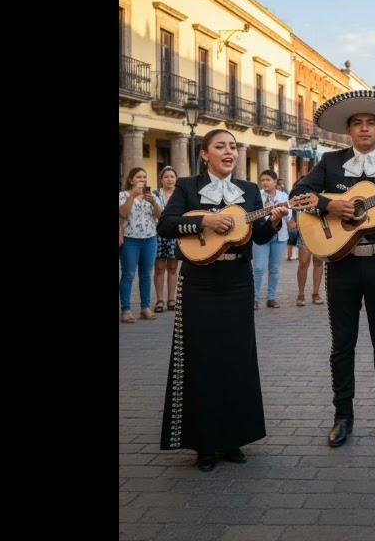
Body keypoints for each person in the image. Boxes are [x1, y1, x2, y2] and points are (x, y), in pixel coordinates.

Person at [290, 90, 375, 448]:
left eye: (371, 123)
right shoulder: (331, 163)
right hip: (342, 263)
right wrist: (330, 205)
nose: (365, 129)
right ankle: (342, 416)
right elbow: (298, 194)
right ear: (349, 130)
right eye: (358, 123)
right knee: (342, 343)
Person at [156, 129, 292, 471]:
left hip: (237, 282)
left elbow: (256, 235)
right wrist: (205, 220)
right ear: (205, 154)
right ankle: (204, 444)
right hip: (200, 282)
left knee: (237, 358)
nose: (228, 151)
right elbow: (167, 226)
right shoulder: (188, 187)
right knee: (201, 360)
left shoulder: (247, 191)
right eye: (220, 146)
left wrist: (274, 221)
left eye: (232, 146)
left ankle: (233, 439)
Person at [119, 167, 161, 322]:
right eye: (138, 177)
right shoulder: (123, 195)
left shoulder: (152, 195)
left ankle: (145, 308)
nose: (142, 180)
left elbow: (160, 216)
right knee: (128, 275)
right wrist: (133, 196)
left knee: (146, 275)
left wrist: (154, 203)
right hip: (130, 240)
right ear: (131, 180)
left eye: (144, 177)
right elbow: (122, 213)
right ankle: (126, 310)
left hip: (150, 239)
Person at [252, 170, 290, 309]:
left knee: (274, 269)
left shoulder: (284, 196)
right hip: (261, 236)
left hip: (280, 236)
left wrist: (281, 213)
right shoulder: (257, 196)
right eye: (262, 180)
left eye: (268, 179)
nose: (264, 182)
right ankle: (254, 298)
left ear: (275, 181)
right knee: (258, 268)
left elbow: (289, 218)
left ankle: (271, 298)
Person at [153, 166, 180, 313]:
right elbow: (159, 216)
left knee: (172, 267)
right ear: (161, 179)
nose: (170, 179)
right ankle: (159, 300)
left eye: (172, 176)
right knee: (159, 268)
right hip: (158, 234)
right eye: (166, 177)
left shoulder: (179, 195)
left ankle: (171, 299)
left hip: (174, 234)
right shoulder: (155, 194)